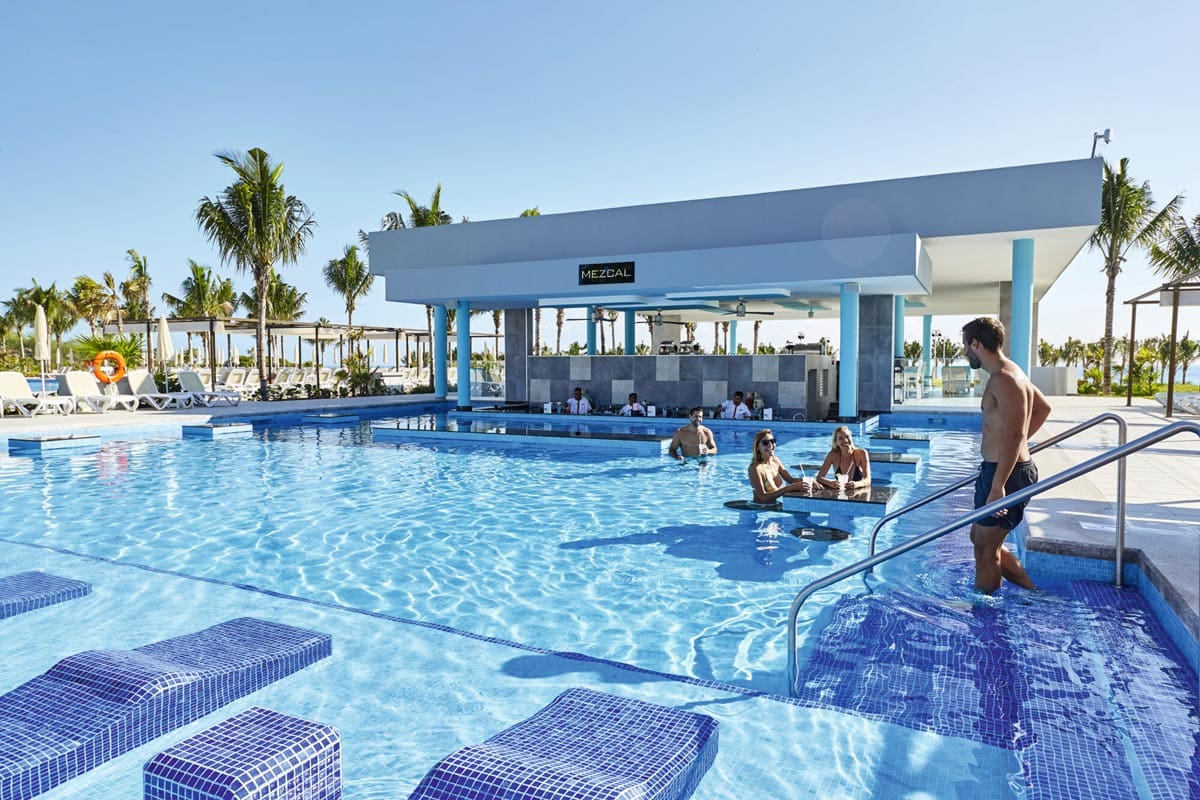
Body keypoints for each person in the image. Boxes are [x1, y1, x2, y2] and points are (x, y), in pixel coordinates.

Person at [962, 316, 1051, 593]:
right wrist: (1018, 447)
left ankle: (984, 617)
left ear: (975, 343)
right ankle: (1032, 591)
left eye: (965, 345)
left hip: (1006, 475)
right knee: (981, 538)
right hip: (1000, 469)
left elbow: (1015, 434)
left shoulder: (1004, 379)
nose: (964, 351)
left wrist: (998, 485)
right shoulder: (1012, 373)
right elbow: (1042, 409)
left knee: (985, 550)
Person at [748, 429, 813, 503]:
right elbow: (763, 497)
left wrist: (810, 481)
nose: (770, 445)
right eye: (765, 443)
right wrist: (788, 489)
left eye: (773, 441)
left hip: (773, 506)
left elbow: (791, 480)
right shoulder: (755, 468)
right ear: (757, 447)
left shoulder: (775, 461)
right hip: (760, 507)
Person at [813, 426, 871, 491]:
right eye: (841, 438)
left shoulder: (861, 454)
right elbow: (819, 477)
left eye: (847, 436)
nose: (845, 440)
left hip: (858, 495)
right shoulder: (833, 455)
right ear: (836, 442)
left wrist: (857, 484)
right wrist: (830, 483)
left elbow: (868, 480)